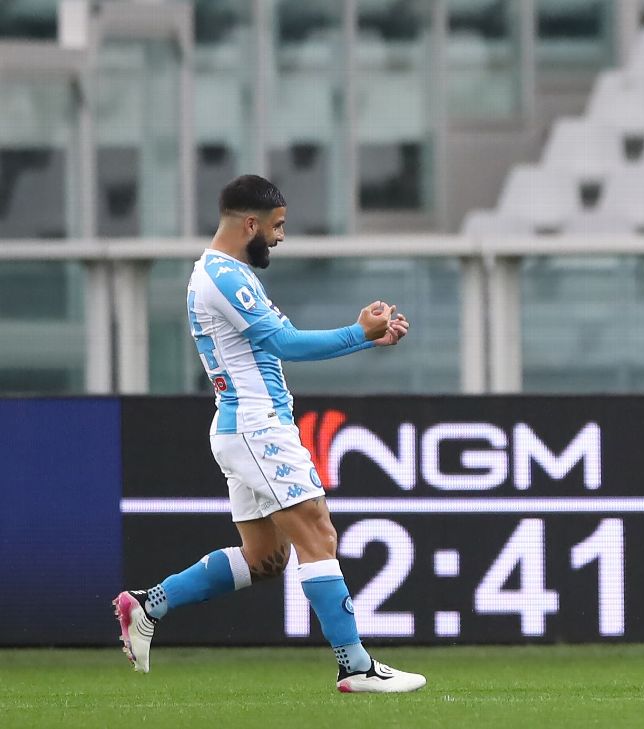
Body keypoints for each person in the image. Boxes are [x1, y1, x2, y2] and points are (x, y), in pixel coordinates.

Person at [113, 175, 424, 693]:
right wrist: (358, 333)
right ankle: (355, 666)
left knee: (265, 558)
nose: (280, 237)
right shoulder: (222, 277)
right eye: (277, 226)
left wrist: (366, 341)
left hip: (243, 427)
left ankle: (148, 605)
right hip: (257, 428)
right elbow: (285, 344)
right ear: (250, 224)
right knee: (318, 533)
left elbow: (281, 342)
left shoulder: (226, 273)